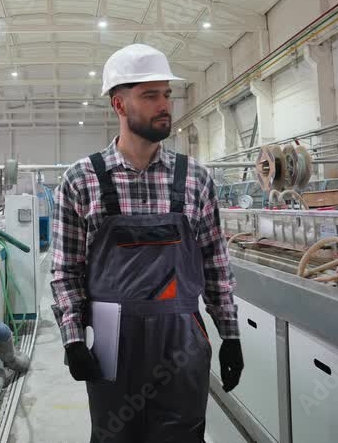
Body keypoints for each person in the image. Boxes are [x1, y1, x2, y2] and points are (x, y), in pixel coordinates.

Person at [51, 44, 244, 443]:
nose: (164, 105)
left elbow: (215, 263)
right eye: (150, 95)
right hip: (111, 340)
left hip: (181, 340)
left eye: (167, 94)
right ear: (119, 104)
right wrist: (73, 338)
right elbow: (66, 270)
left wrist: (230, 334)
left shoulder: (195, 179)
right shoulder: (81, 180)